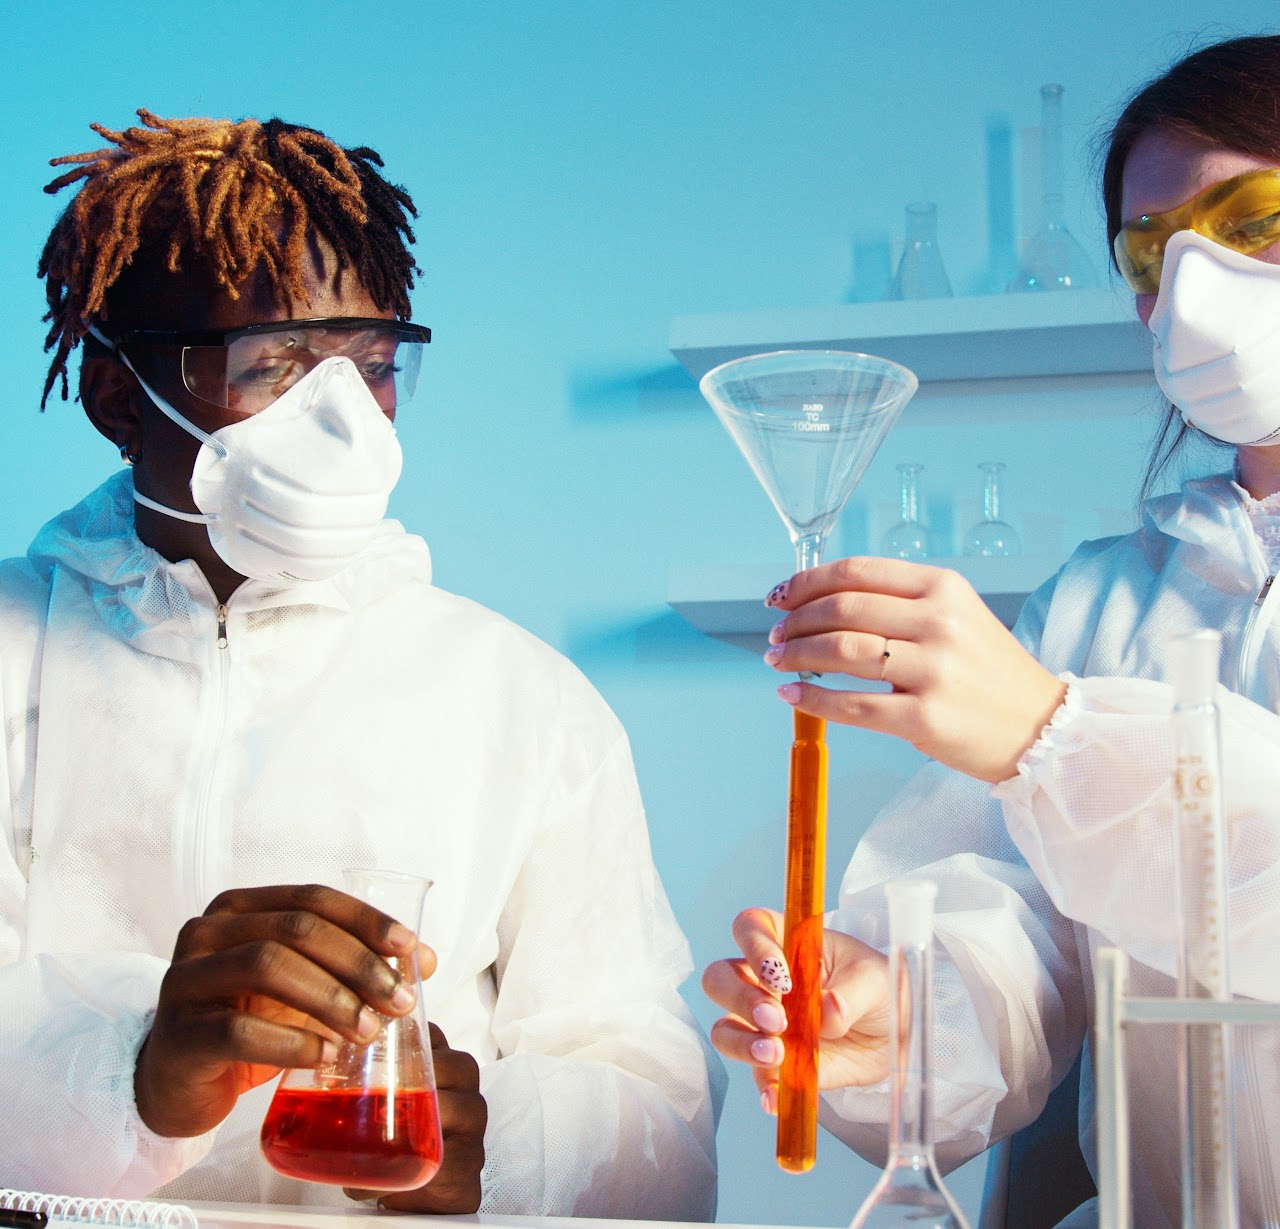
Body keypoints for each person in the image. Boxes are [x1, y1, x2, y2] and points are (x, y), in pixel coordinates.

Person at [1, 109, 724, 1216]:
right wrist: (137, 1076)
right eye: (273, 363)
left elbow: (667, 1135)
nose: (341, 420)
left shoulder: (517, 697)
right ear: (114, 397)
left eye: (374, 365)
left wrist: (514, 1143)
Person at [702, 34, 1280, 1229]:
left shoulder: (1052, 685)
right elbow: (1018, 929)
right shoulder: (1104, 600)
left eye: (1252, 218)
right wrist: (905, 1013)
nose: (1188, 292)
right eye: (1148, 253)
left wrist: (1054, 735)